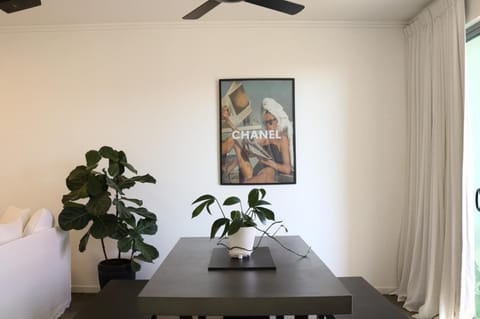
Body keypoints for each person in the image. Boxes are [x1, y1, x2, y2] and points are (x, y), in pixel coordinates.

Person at [225, 98, 294, 184]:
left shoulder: (282, 138)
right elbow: (243, 137)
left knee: (267, 173)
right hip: (258, 168)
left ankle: (230, 170)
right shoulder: (265, 137)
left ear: (277, 120)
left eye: (270, 122)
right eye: (265, 123)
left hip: (269, 170)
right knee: (237, 142)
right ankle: (228, 169)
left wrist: (268, 162)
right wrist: (228, 120)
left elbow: (287, 169)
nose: (268, 126)